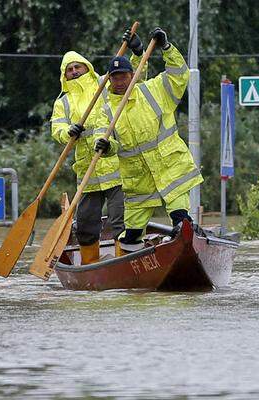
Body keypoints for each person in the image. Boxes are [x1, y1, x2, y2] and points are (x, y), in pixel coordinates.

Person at [94, 27, 203, 252]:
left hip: (170, 166)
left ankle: (184, 246)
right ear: (109, 80)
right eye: (115, 78)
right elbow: (104, 138)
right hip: (138, 179)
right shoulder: (106, 111)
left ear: (132, 74)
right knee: (132, 234)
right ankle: (132, 266)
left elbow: (179, 74)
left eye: (123, 75)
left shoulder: (152, 89)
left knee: (180, 219)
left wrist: (166, 47)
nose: (120, 81)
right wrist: (105, 146)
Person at [50, 30, 148, 264]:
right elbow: (57, 130)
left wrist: (137, 51)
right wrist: (68, 132)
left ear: (86, 67)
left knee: (120, 222)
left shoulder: (104, 85)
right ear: (64, 75)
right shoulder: (62, 102)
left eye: (78, 67)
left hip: (116, 168)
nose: (74, 72)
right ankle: (90, 267)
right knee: (85, 225)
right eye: (69, 69)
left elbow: (133, 77)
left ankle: (123, 264)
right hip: (88, 173)